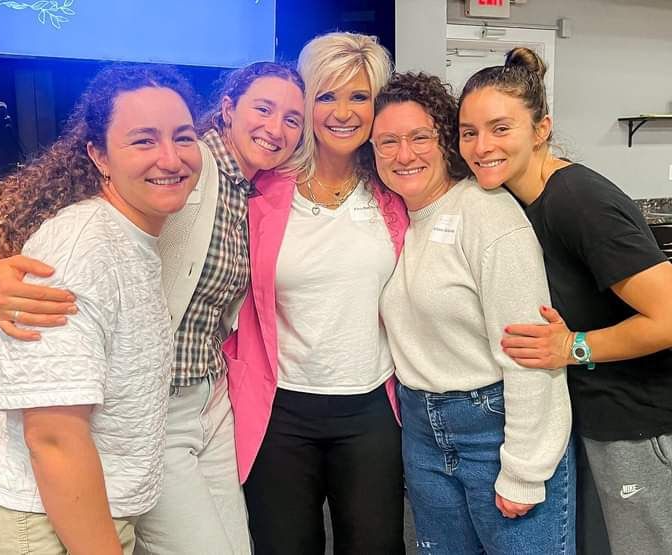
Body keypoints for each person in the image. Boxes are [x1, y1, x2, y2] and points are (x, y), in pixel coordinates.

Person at [0, 61, 306, 555]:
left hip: (206, 396)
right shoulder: (186, 166)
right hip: (153, 408)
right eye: (263, 108)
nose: (276, 128)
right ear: (227, 108)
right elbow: (30, 210)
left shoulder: (257, 189)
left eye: (292, 119)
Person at [0, 64, 204, 554]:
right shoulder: (83, 248)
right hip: (36, 529)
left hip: (71, 516)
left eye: (183, 137)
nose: (170, 157)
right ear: (98, 155)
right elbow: (53, 438)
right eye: (144, 140)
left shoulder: (123, 234)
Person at [458, 47, 672, 555]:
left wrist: (572, 347)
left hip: (638, 423)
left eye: (501, 128)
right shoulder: (514, 200)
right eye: (469, 132)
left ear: (541, 130)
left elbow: (668, 315)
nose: (482, 146)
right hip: (591, 419)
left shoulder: (577, 199)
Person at [370, 71, 575, 554]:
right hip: (422, 430)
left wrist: (524, 470)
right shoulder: (397, 221)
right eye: (388, 142)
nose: (404, 155)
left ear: (445, 139)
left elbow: (529, 352)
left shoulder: (487, 214)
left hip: (494, 429)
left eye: (420, 137)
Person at [223, 32, 407, 554]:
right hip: (279, 410)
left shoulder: (394, 190)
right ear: (306, 103)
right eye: (327, 96)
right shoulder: (261, 187)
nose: (343, 113)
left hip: (371, 409)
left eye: (359, 97)